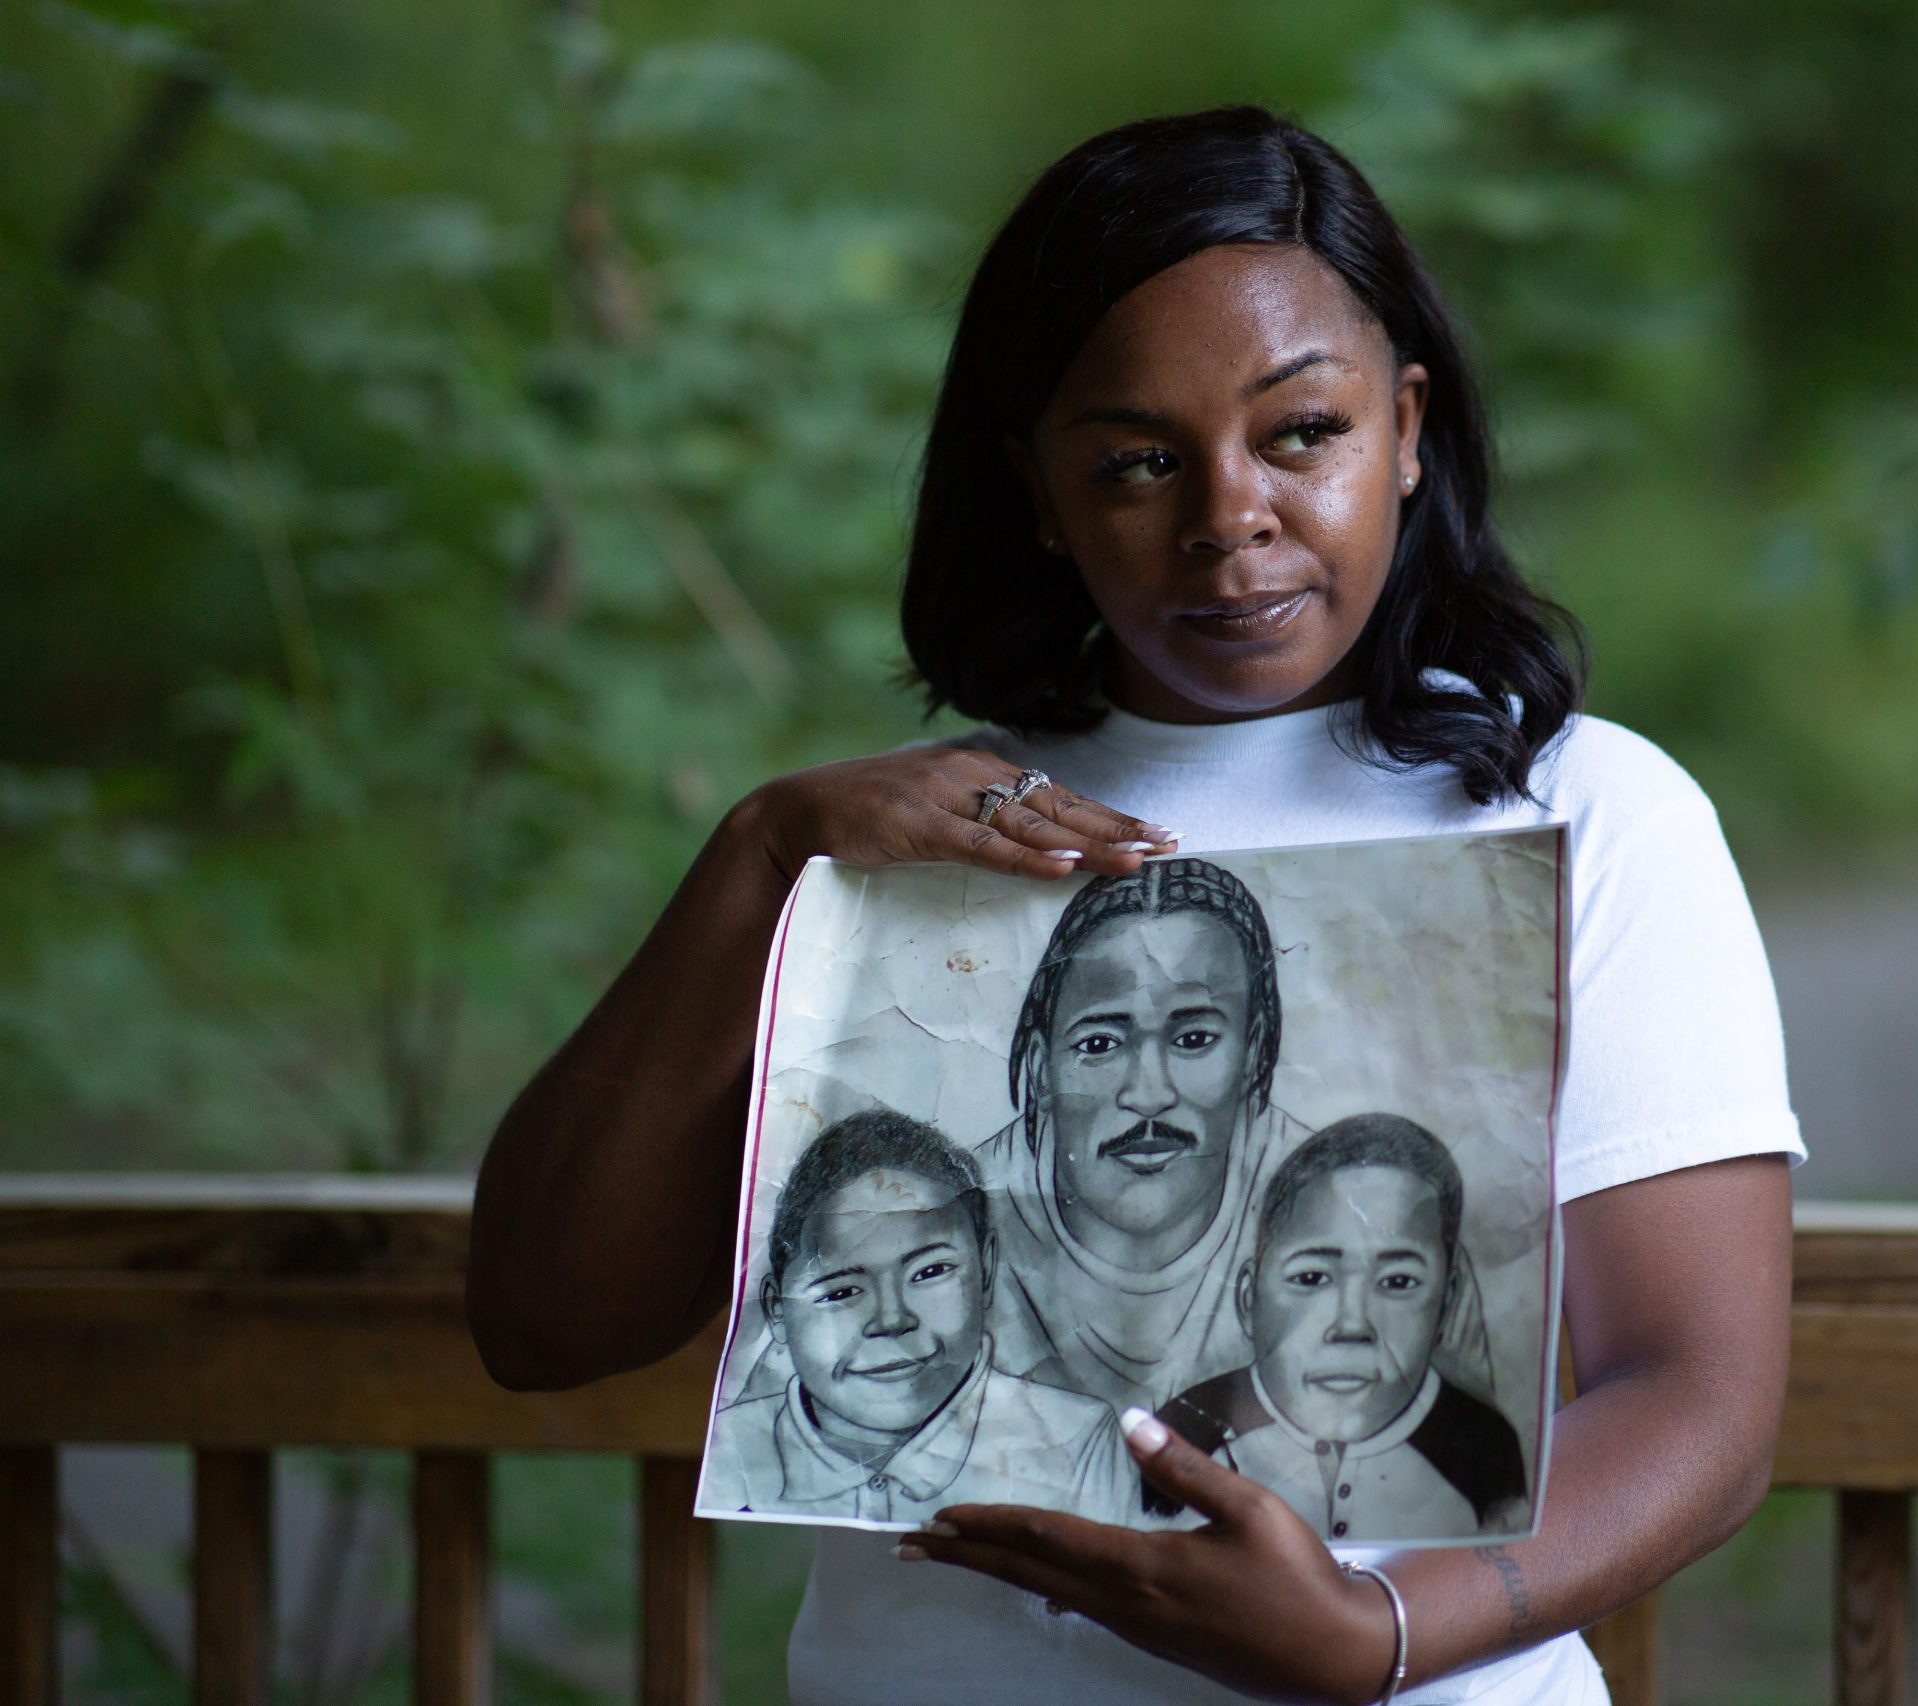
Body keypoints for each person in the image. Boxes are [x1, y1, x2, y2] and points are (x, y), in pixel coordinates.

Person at [470, 104, 1802, 1706]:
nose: (1227, 514)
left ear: (1406, 427)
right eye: (1138, 462)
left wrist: (1382, 1630)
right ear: (1038, 490)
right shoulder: (907, 837)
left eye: (1300, 432)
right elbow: (542, 1321)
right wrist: (757, 856)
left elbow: (1699, 1393)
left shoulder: (1583, 811)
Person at [976, 855, 1313, 1413]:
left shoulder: (1333, 1206)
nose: (1150, 1094)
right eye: (1100, 1044)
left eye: (1194, 1039)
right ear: (1040, 1068)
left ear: (1253, 1053)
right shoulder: (954, 1221)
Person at [700, 1109, 1141, 1526]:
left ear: (986, 1270)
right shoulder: (730, 1446)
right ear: (778, 1311)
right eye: (841, 1292)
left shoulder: (1077, 1443)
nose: (892, 1319)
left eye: (930, 1272)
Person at [1155, 1114, 1530, 1543]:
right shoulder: (1184, 1434)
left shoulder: (1484, 1454)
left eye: (1398, 1282)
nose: (1352, 1325)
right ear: (1248, 1299)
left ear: (1446, 1302)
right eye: (1311, 1277)